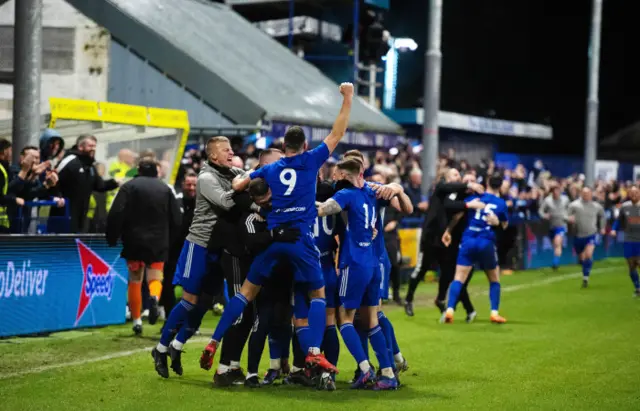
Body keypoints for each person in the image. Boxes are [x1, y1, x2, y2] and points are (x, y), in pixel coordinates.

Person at [202, 82, 355, 376]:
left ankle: (213, 341)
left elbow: (237, 184)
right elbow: (337, 133)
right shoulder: (312, 160)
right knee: (318, 295)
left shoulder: (270, 169)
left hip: (273, 239)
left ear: (284, 147)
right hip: (300, 239)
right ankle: (312, 353)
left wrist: (244, 177)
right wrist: (347, 97)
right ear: (305, 147)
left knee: (246, 294)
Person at [152, 136, 244, 378]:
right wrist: (243, 184)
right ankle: (160, 348)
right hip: (199, 245)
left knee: (203, 304)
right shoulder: (206, 178)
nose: (231, 152)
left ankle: (177, 345)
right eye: (226, 150)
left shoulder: (230, 171)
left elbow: (250, 174)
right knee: (189, 300)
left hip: (218, 248)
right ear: (213, 156)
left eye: (232, 149)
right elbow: (226, 202)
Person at [316, 159, 397, 390]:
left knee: (344, 318)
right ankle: (389, 373)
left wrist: (296, 204)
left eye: (338, 173)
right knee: (372, 320)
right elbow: (395, 193)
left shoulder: (347, 195)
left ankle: (365, 369)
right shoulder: (372, 192)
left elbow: (322, 209)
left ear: (343, 173)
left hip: (354, 263)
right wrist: (396, 187)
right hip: (372, 262)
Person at [106, 159, 182, 335]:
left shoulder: (129, 186)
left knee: (135, 279)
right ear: (156, 171)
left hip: (134, 240)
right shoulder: (165, 189)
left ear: (139, 170)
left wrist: (112, 236)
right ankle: (154, 297)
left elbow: (116, 212)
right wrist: (171, 240)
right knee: (155, 277)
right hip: (159, 241)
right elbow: (176, 218)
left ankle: (137, 321)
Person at [404, 168, 484, 317]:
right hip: (430, 237)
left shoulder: (457, 194)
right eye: (455, 174)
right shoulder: (441, 188)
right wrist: (469, 191)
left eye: (459, 175)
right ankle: (408, 299)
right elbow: (449, 204)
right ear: (446, 177)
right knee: (422, 269)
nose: (458, 177)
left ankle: (443, 300)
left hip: (445, 239)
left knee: (448, 272)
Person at [442, 173, 509, 324]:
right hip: (486, 241)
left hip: (468, 240)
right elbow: (504, 225)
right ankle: (494, 312)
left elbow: (457, 216)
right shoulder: (501, 203)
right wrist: (497, 222)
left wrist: (448, 231)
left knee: (458, 277)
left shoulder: (474, 198)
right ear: (501, 185)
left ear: (487, 182)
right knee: (494, 279)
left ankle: (450, 310)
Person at [50, 135, 119, 233]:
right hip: (64, 214)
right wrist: (57, 196)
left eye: (94, 146)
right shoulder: (69, 161)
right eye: (90, 146)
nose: (93, 149)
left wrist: (114, 183)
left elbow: (99, 186)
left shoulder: (90, 167)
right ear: (80, 147)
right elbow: (53, 180)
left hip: (82, 216)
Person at [161, 170, 197, 317]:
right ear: (182, 184)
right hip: (174, 251)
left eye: (194, 185)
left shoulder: (203, 203)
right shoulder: (174, 201)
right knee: (169, 283)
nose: (191, 188)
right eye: (188, 184)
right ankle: (169, 316)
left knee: (192, 286)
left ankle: (189, 319)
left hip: (194, 250)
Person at [568, 187, 606, 288]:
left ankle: (585, 278)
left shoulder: (596, 206)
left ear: (591, 194)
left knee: (588, 254)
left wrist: (602, 227)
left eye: (588, 193)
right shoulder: (574, 205)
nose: (586, 195)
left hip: (591, 234)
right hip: (578, 235)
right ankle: (585, 268)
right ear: (581, 194)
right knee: (582, 257)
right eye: (584, 194)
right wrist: (569, 219)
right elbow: (566, 215)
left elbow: (602, 215)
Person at [610, 185, 640, 297]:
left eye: (636, 192)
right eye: (631, 193)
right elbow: (618, 221)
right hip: (629, 240)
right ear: (628, 194)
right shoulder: (624, 207)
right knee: (631, 266)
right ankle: (637, 288)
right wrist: (613, 229)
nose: (634, 195)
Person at [540, 183, 570, 270]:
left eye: (558, 191)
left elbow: (570, 209)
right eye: (554, 191)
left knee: (557, 242)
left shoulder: (565, 199)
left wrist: (568, 216)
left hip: (562, 224)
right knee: (555, 245)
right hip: (552, 225)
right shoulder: (547, 200)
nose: (556, 193)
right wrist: (544, 215)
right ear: (552, 192)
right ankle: (556, 257)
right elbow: (541, 211)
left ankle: (555, 263)